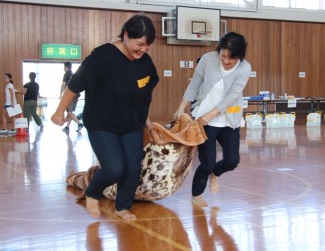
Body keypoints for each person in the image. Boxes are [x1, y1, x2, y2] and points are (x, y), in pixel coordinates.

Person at [51, 13, 159, 221]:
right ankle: (92, 192)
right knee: (114, 168)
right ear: (126, 35)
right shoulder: (102, 56)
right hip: (102, 123)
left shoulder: (145, 62)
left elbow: (145, 92)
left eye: (148, 46)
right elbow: (75, 84)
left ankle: (123, 207)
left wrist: (146, 119)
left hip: (132, 123)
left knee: (133, 167)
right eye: (140, 44)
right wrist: (59, 110)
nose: (144, 50)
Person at [174, 32, 251, 207]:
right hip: (204, 118)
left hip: (229, 118)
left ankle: (215, 174)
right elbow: (194, 84)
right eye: (223, 56)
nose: (225, 61)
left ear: (239, 57)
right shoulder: (208, 59)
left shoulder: (244, 68)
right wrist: (181, 107)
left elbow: (232, 96)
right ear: (219, 50)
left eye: (231, 59)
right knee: (207, 162)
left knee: (232, 161)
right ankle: (196, 194)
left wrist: (211, 115)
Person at [59, 62, 84, 133]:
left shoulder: (66, 74)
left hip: (69, 96)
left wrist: (61, 94)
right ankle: (67, 127)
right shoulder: (73, 74)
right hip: (76, 95)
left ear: (66, 67)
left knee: (69, 112)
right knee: (70, 113)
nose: (64, 69)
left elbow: (63, 85)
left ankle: (80, 123)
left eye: (64, 67)